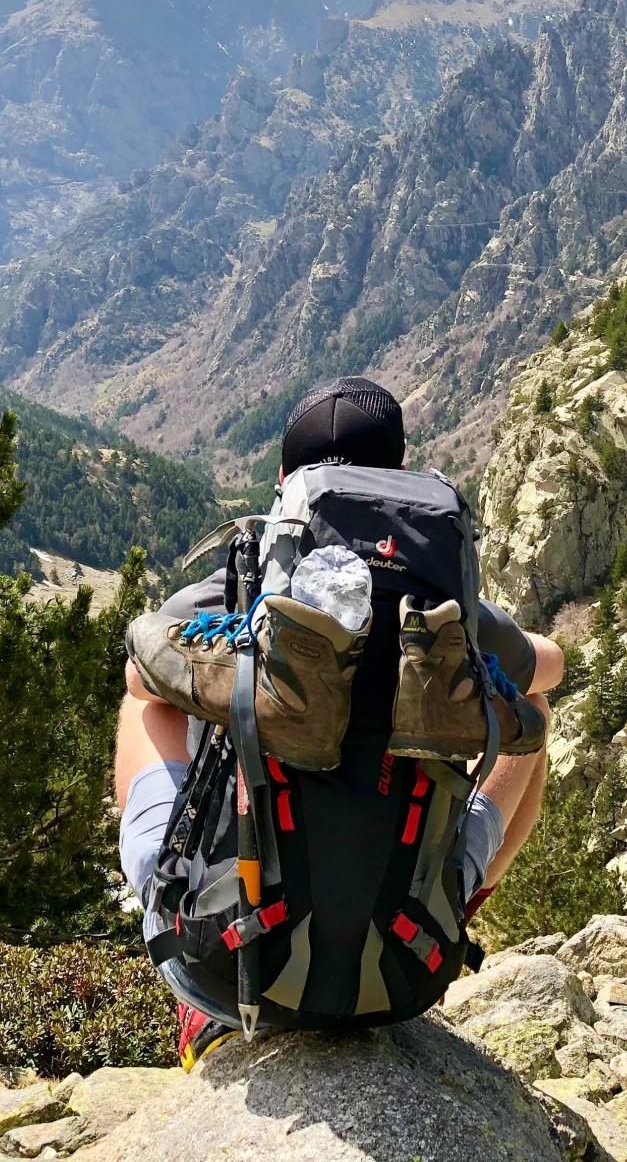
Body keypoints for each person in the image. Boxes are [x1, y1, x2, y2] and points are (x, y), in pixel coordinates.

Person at [113, 377, 564, 1065]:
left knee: (147, 701)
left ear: (287, 480)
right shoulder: (439, 590)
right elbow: (551, 663)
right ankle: (447, 908)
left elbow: (141, 671)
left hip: (229, 970)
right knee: (530, 712)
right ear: (402, 475)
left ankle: (188, 903)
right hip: (406, 973)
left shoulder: (258, 571)